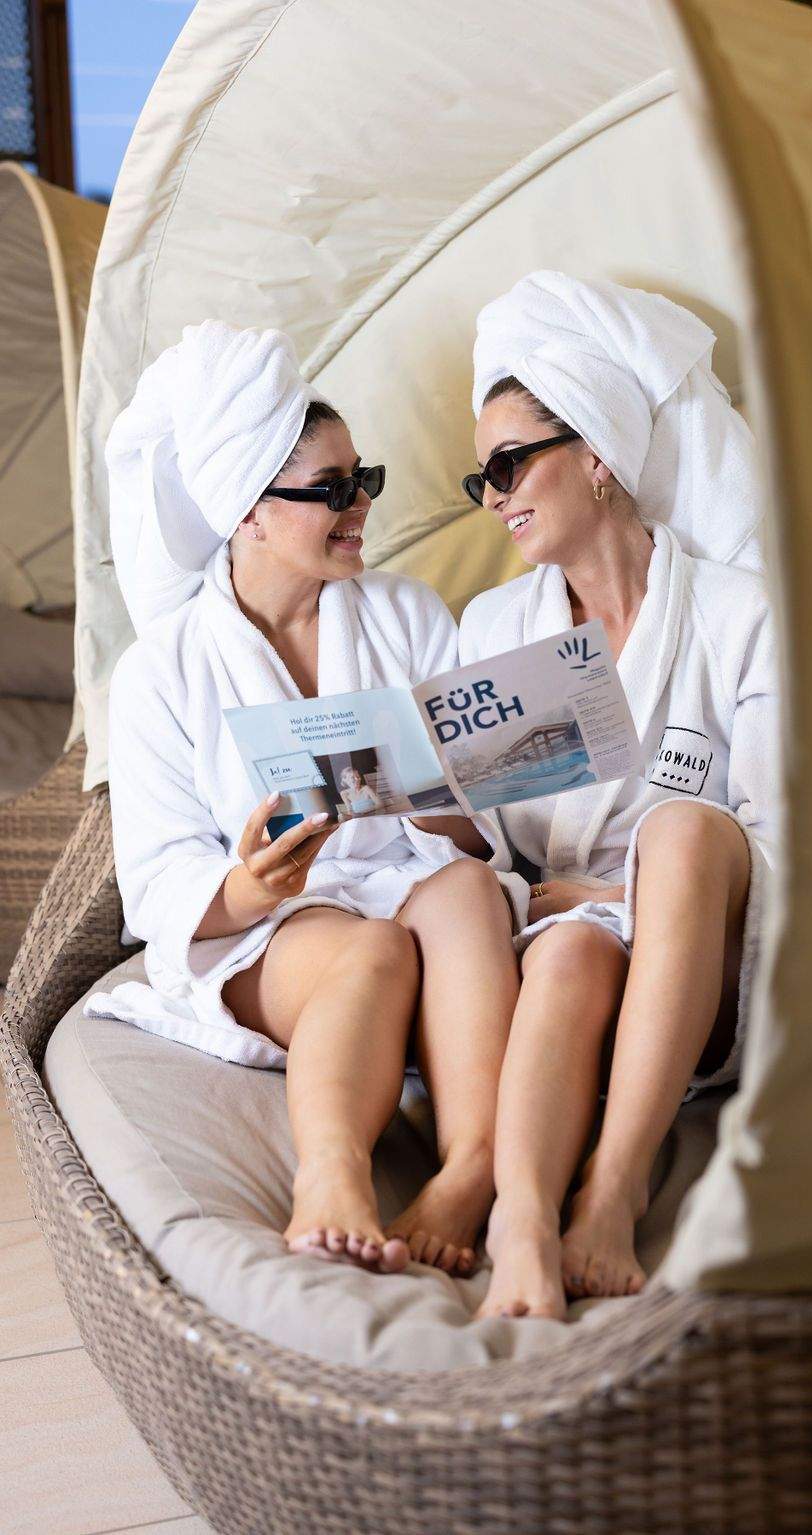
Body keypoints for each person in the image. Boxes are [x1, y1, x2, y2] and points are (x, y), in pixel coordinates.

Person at [86, 321, 528, 1280]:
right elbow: (158, 875)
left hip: (411, 878)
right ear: (248, 511)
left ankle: (473, 1167)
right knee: (368, 948)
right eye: (330, 492)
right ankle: (333, 1179)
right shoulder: (162, 673)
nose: (360, 505)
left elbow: (475, 838)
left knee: (464, 896)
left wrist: (442, 796)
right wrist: (252, 885)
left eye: (360, 479)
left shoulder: (408, 614)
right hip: (274, 926)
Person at [458, 272, 781, 1319]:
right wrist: (418, 806)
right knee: (569, 953)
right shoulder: (492, 632)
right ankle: (521, 1222)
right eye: (482, 479)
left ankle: (615, 1183)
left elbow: (786, 835)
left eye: (511, 462)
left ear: (595, 452)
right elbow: (499, 860)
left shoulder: (738, 613)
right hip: (566, 942)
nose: (496, 494)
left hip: (712, 950)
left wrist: (625, 892)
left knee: (685, 831)